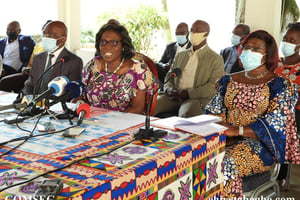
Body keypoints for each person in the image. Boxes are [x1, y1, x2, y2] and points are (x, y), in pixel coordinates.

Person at [205, 30, 300, 198]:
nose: (249, 52)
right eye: (246, 47)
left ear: (268, 54)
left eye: (256, 49)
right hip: (223, 136)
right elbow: (212, 111)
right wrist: (215, 127)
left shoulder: (280, 85)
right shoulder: (227, 81)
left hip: (259, 145)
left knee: (221, 163)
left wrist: (237, 131)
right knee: (192, 157)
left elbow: (277, 124)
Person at [154, 19, 224, 118]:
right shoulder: (180, 55)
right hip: (174, 95)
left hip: (195, 98)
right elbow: (170, 74)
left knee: (186, 115)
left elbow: (213, 86)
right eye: (192, 30)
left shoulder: (215, 59)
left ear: (206, 34)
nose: (193, 33)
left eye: (198, 30)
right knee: (152, 106)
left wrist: (187, 93)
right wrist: (169, 89)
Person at [81, 23, 154, 114]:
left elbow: (138, 108)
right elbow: (82, 96)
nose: (107, 46)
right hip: (92, 120)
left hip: (123, 122)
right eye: (103, 42)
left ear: (123, 46)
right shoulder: (93, 65)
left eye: (114, 43)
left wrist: (108, 119)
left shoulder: (138, 70)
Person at [22, 20, 83, 95]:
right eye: (44, 34)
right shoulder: (38, 58)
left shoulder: (74, 61)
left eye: (50, 35)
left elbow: (71, 93)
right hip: (34, 102)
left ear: (63, 39)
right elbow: (29, 85)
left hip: (55, 104)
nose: (46, 38)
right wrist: (28, 98)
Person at [275, 22, 300, 187]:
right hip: (272, 109)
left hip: (295, 113)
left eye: (292, 40)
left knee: (283, 123)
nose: (286, 42)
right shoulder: (275, 66)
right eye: (285, 38)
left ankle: (280, 176)